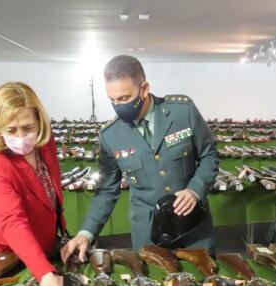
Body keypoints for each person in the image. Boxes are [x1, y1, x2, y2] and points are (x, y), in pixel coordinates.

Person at [61, 55, 219, 262]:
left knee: (205, 283)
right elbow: (107, 190)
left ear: (144, 89)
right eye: (112, 100)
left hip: (194, 227)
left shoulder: (182, 112)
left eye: (125, 98)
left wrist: (195, 190)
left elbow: (210, 155)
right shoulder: (111, 135)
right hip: (149, 234)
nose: (118, 106)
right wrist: (85, 233)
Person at [0, 82, 67, 286]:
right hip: (8, 253)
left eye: (28, 127)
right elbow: (12, 222)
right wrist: (44, 272)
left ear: (39, 123)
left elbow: (49, 191)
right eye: (11, 130)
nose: (22, 137)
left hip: (43, 241)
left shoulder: (44, 142)